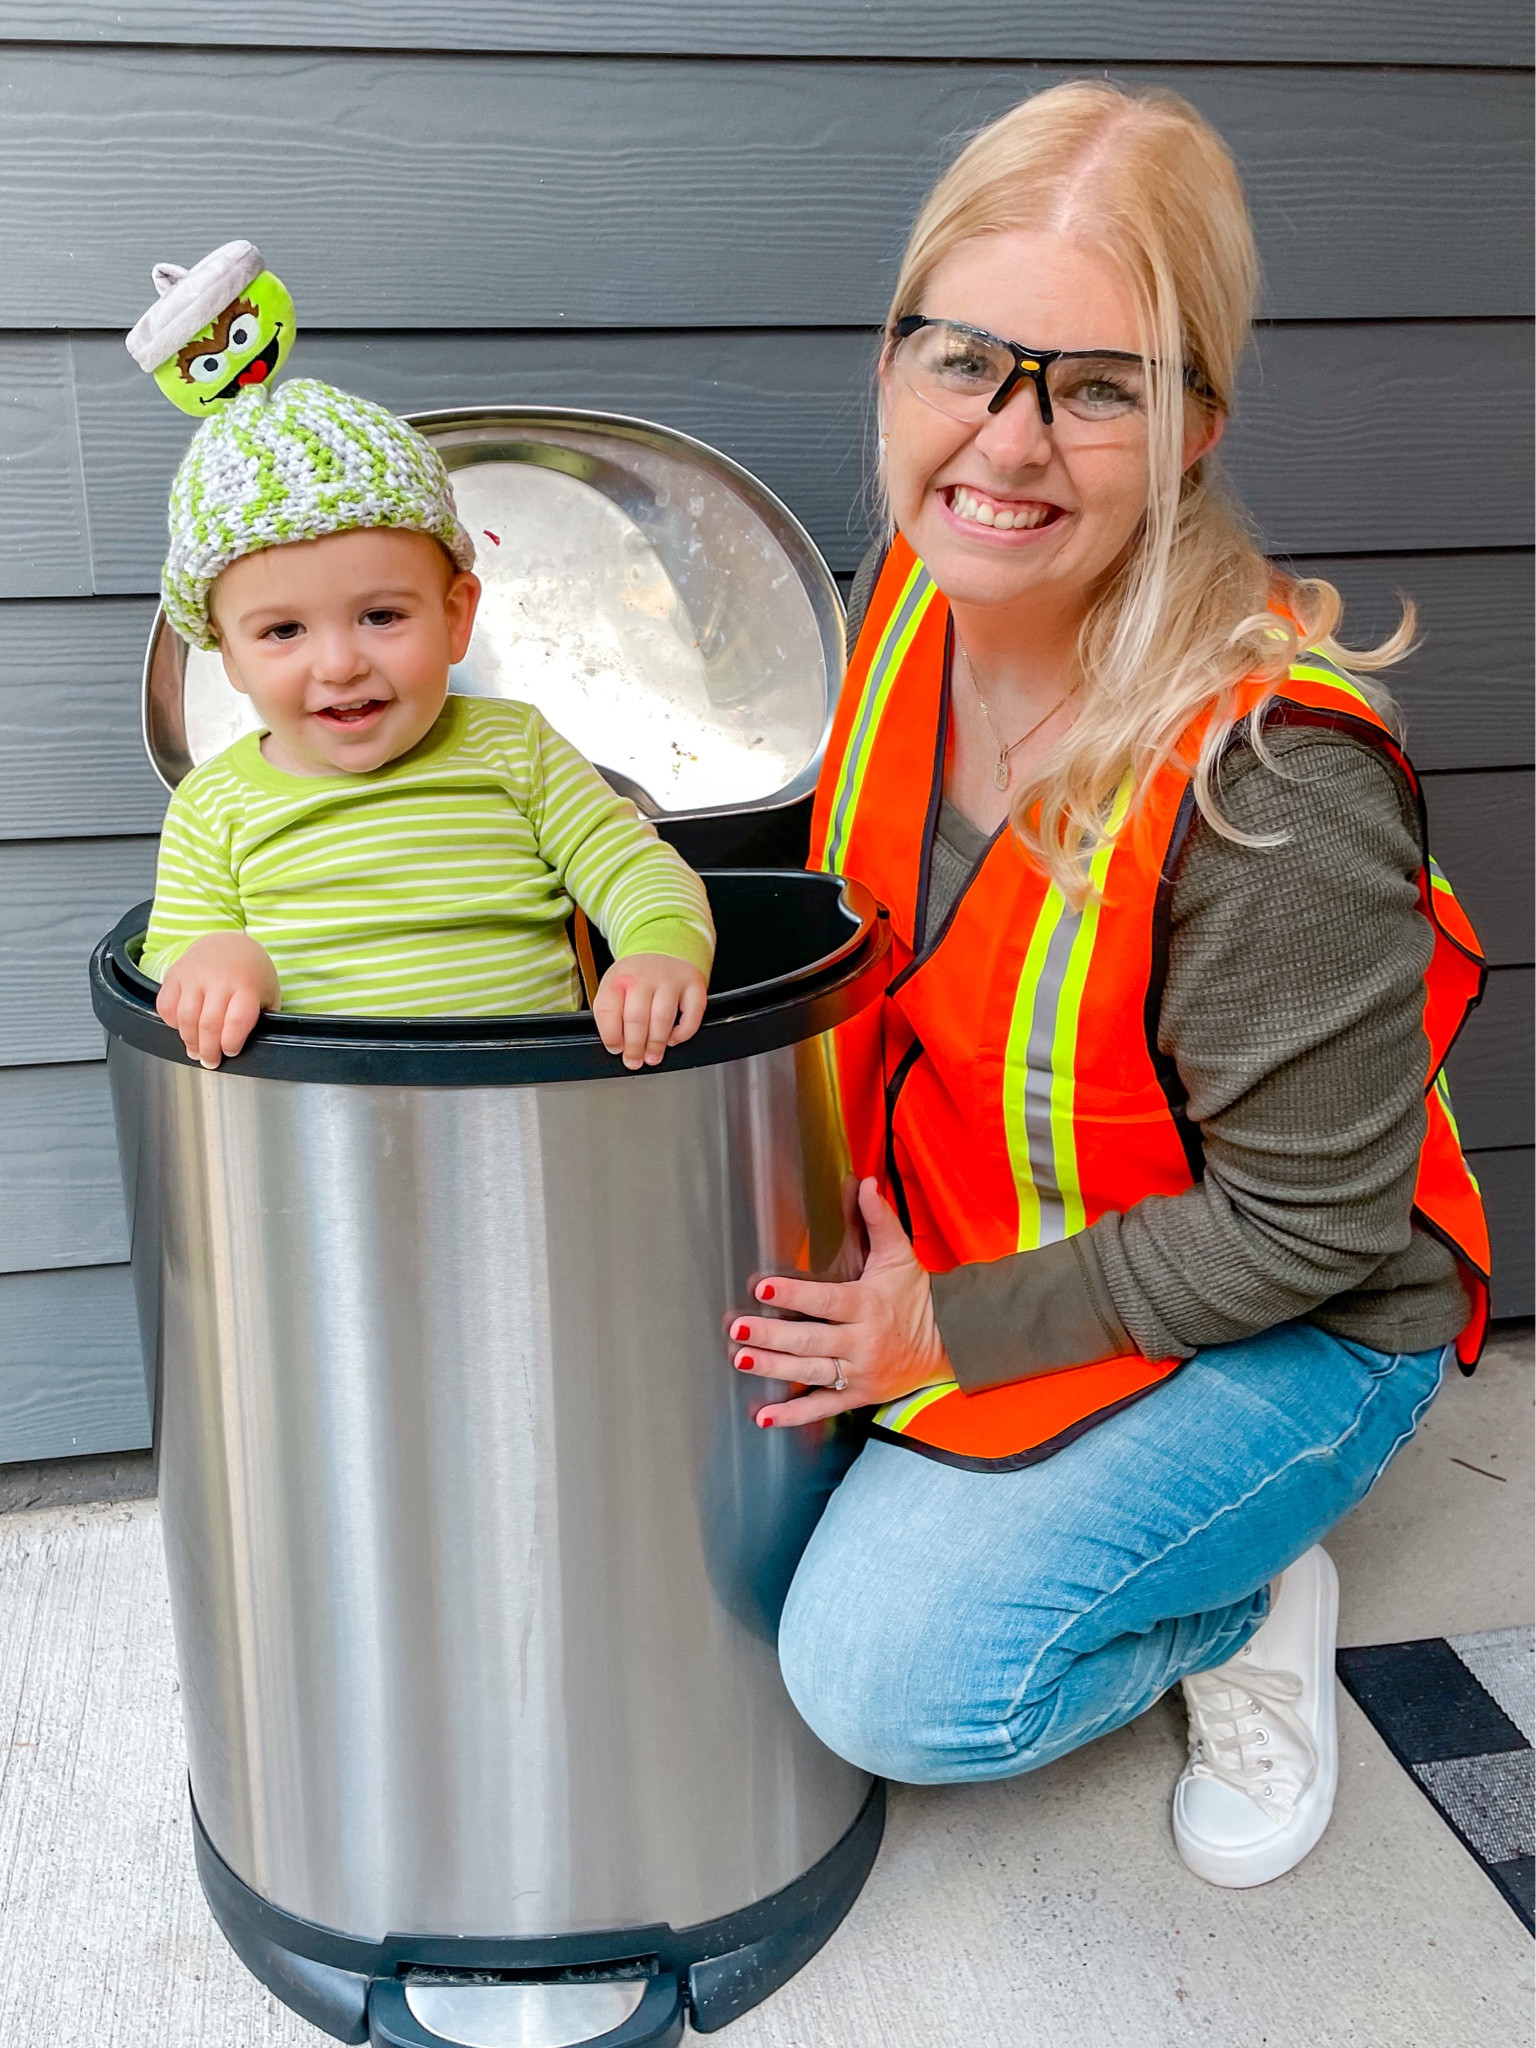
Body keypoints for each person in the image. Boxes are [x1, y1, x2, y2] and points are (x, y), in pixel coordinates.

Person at [727, 80, 1489, 1889]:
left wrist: (940, 1332)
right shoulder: (906, 595)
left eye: (1096, 387)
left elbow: (1309, 1229)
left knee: (890, 1677)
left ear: (1195, 426)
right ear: (893, 358)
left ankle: (1247, 1608)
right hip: (994, 1228)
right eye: (966, 361)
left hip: (1295, 1313)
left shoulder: (1271, 786)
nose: (1006, 444)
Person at [139, 378, 714, 1071]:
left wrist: (658, 945)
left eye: (380, 616)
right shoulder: (214, 805)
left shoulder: (517, 749)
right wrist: (213, 960)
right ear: (228, 656)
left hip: (537, 1105)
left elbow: (631, 866)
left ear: (455, 616)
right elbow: (171, 950)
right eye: (283, 630)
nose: (340, 664)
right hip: (321, 1116)